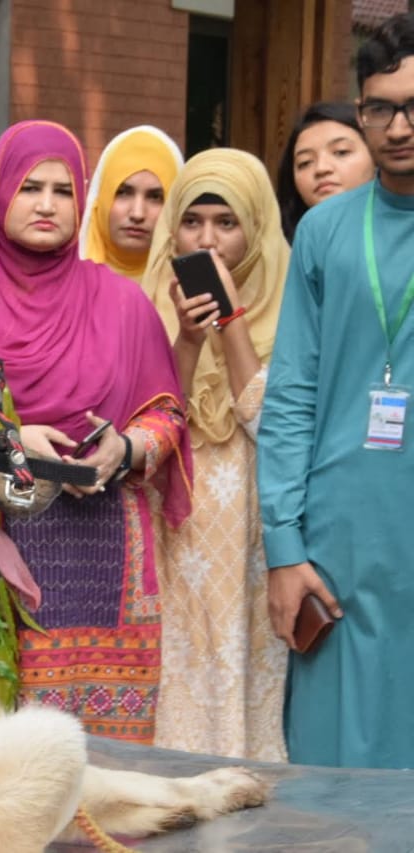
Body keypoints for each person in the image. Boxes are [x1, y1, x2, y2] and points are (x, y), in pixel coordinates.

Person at [0, 120, 192, 745]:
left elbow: (167, 411)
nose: (47, 205)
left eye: (63, 190)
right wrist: (12, 445)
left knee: (112, 778)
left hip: (106, 549)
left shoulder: (123, 303)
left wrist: (124, 448)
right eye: (28, 187)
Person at [260, 11, 414, 769]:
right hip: (339, 538)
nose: (399, 126)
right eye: (381, 107)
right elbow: (290, 394)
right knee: (333, 773)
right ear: (361, 110)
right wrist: (284, 547)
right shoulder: (325, 232)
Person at [141, 149, 291, 761]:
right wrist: (186, 338)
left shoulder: (294, 308)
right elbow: (149, 431)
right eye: (193, 221)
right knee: (177, 671)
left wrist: (230, 322)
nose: (207, 240)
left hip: (252, 531)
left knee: (245, 669)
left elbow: (265, 420)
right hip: (175, 527)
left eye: (226, 223)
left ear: (254, 227)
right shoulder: (143, 306)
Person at [79, 125, 184, 282]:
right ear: (101, 200)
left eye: (155, 197)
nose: (137, 213)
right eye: (123, 193)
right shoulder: (63, 285)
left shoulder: (193, 295)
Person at [275, 101, 376, 243]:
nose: (321, 168)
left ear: (376, 158)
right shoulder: (283, 251)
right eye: (305, 162)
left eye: (341, 152)